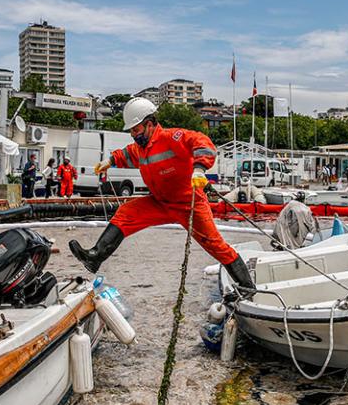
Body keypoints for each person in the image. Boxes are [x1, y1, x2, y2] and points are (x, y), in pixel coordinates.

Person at [68, 97, 255, 298]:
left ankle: (247, 286)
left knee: (215, 245)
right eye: (131, 131)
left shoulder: (173, 137)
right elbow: (127, 154)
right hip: (159, 202)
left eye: (135, 130)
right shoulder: (140, 148)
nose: (133, 135)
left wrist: (199, 169)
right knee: (126, 212)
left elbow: (204, 144)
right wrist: (110, 161)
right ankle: (95, 256)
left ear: (149, 124)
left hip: (188, 204)